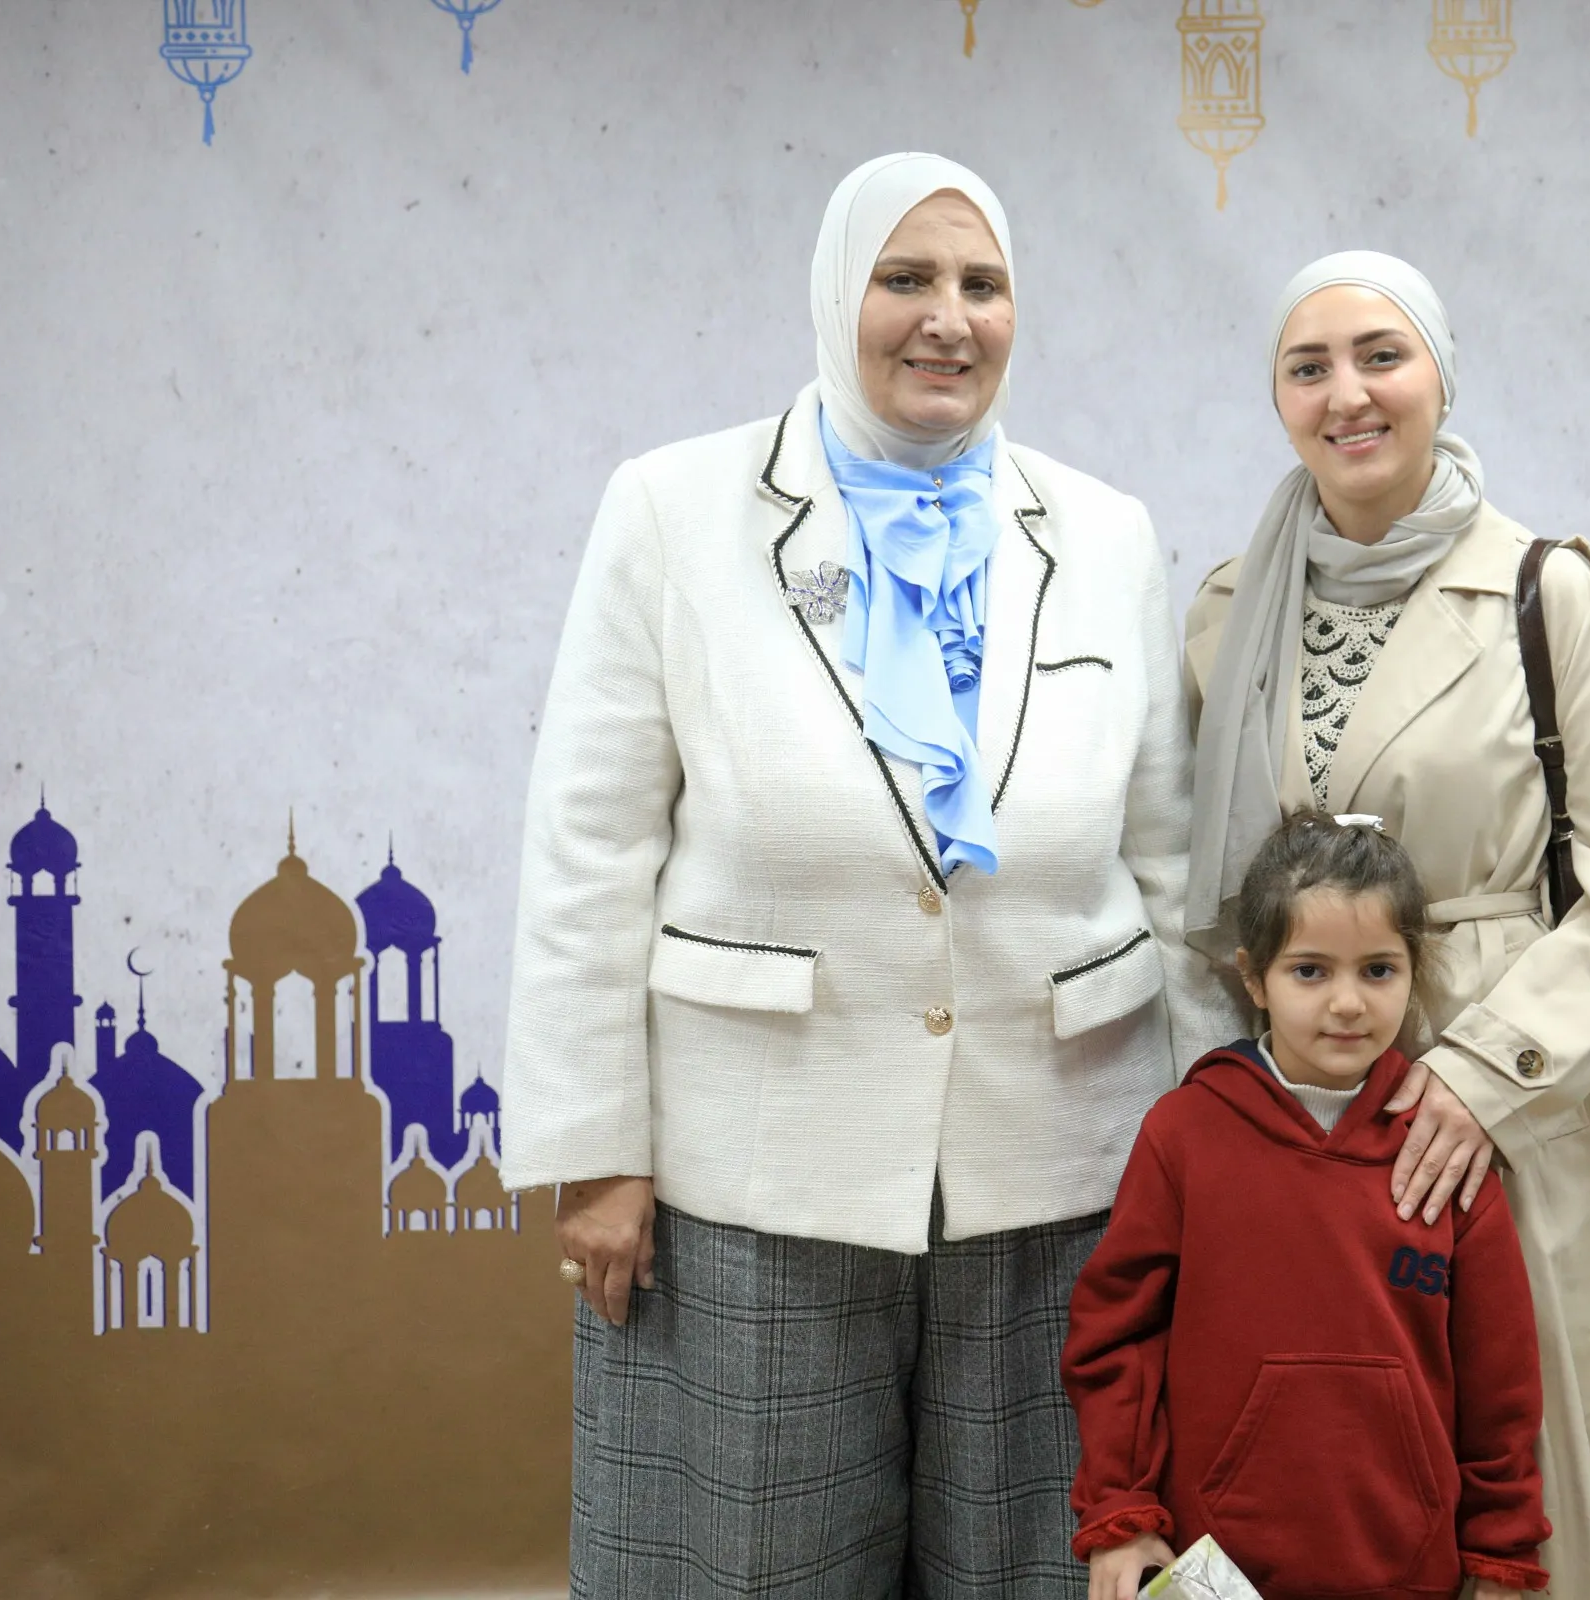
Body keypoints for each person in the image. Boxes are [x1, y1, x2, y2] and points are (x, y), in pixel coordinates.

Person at [499, 152, 1236, 1599]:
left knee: (1040, 1568)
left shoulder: (1105, 532)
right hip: (757, 1174)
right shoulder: (673, 509)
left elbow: (1169, 863)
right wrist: (598, 1147)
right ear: (838, 292)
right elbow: (589, 848)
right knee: (758, 1570)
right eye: (906, 279)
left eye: (982, 284)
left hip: (1066, 1170)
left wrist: (1218, 1152)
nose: (947, 318)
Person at [1182, 253, 1590, 1600]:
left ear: (1441, 378)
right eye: (1308, 368)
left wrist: (1481, 1078)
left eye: (1381, 356)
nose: (1346, 394)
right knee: (1315, 1460)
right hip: (1297, 1100)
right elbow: (1202, 889)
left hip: (1489, 1089)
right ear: (1278, 400)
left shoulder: (1547, 592)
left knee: (1514, 1476)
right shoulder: (1228, 613)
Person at [1065, 811, 1550, 1600]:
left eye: (1378, 970)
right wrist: (1121, 1508)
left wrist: (1503, 1551)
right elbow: (1116, 1336)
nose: (1348, 1003)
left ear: (1414, 971)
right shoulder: (1185, 1134)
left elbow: (1501, 1380)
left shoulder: (1445, 1151)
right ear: (1255, 978)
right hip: (1213, 1566)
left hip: (1409, 1568)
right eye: (1311, 971)